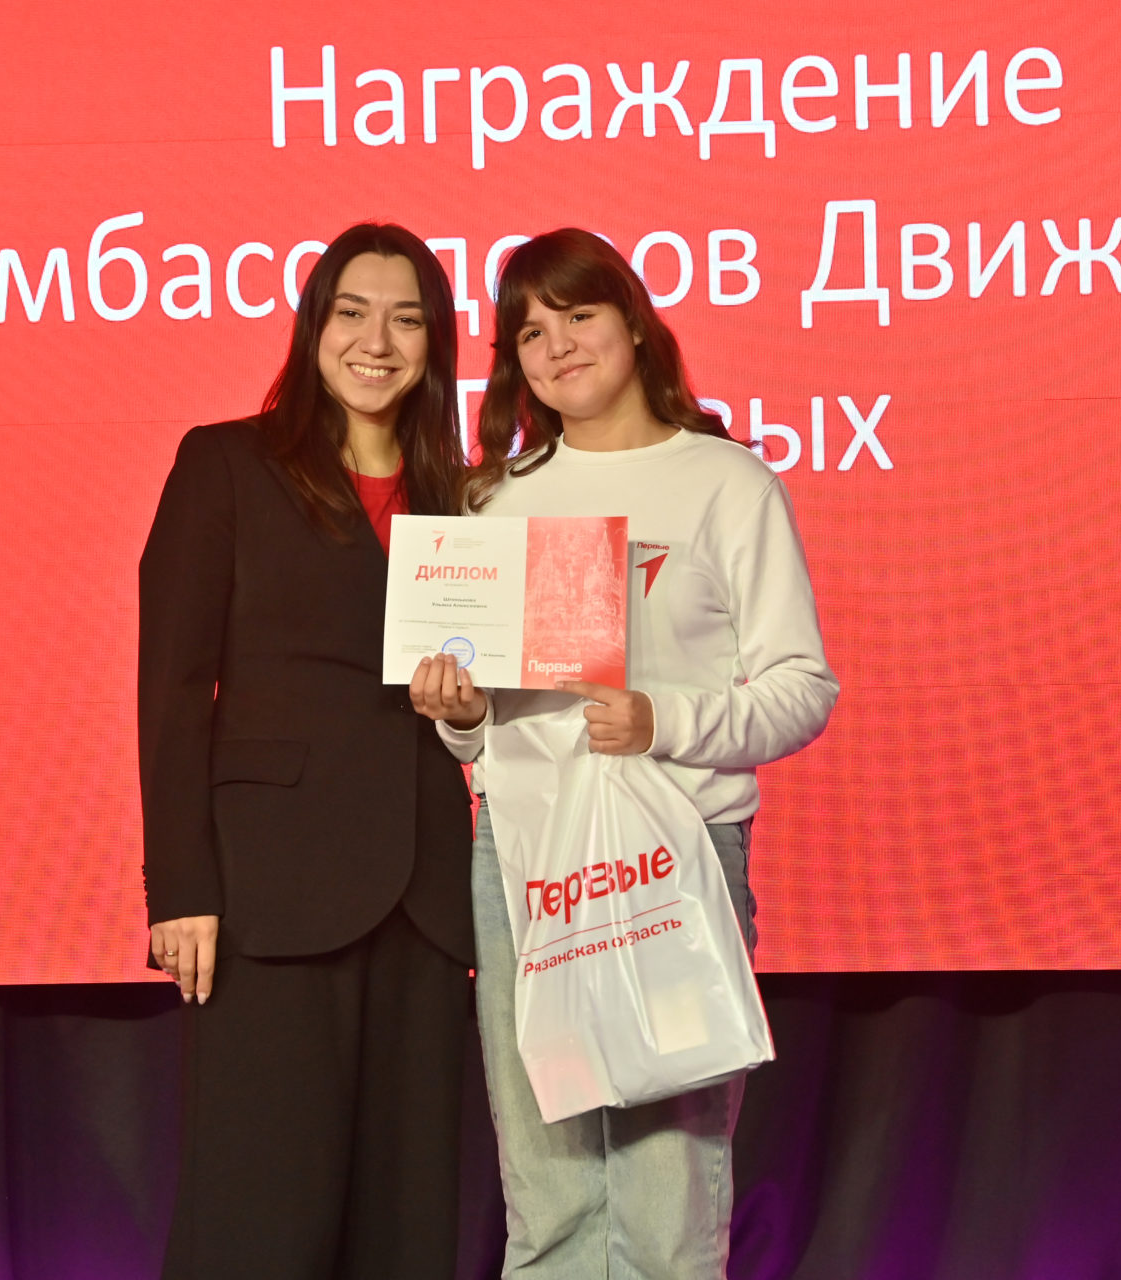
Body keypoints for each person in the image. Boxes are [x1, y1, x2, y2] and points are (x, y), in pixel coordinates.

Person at [410, 228, 839, 1279]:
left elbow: (802, 689)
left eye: (578, 315)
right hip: (525, 863)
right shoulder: (494, 501)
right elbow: (487, 726)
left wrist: (662, 720)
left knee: (664, 1195)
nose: (557, 346)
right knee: (548, 1192)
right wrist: (459, 715)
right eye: (530, 332)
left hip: (676, 854)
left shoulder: (726, 483)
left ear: (635, 324)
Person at [139, 223, 474, 1279]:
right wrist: (181, 886)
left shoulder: (463, 492)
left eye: (407, 319)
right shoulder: (227, 463)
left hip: (425, 897)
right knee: (259, 1218)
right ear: (314, 325)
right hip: (271, 896)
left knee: (407, 1227)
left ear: (435, 342)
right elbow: (173, 687)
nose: (378, 341)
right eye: (353, 313)